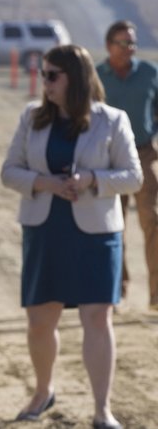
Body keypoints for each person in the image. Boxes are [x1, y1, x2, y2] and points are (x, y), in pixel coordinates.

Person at [1, 44, 142, 429]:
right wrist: (43, 182)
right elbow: (8, 171)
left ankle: (102, 411)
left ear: (75, 78)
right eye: (42, 74)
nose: (43, 82)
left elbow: (133, 176)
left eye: (51, 75)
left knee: (98, 319)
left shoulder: (112, 120)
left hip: (97, 234)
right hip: (45, 230)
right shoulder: (31, 117)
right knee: (39, 322)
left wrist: (93, 179)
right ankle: (43, 391)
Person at [96, 20, 158, 310]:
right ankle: (116, 288)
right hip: (109, 160)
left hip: (143, 155)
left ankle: (156, 294)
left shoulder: (149, 73)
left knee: (152, 220)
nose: (129, 48)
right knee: (113, 224)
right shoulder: (97, 76)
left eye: (132, 43)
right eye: (123, 43)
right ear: (109, 45)